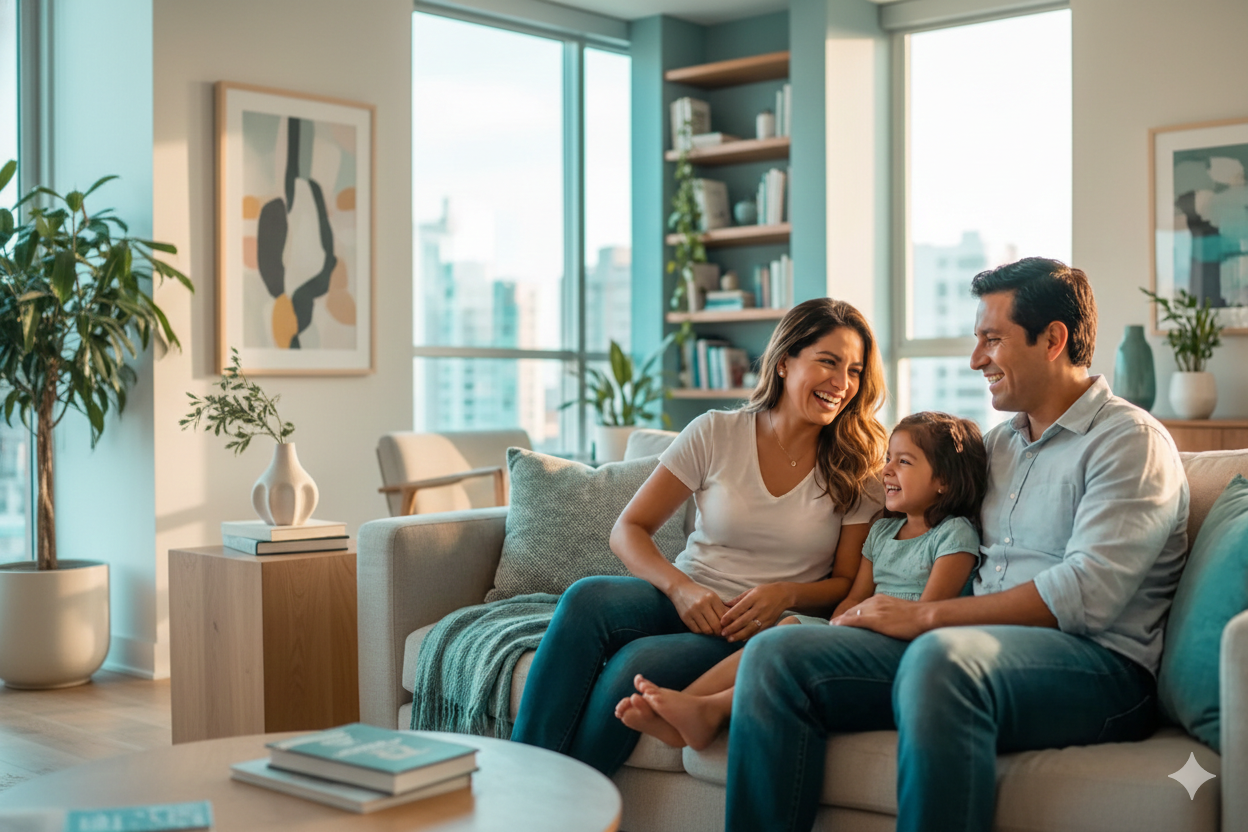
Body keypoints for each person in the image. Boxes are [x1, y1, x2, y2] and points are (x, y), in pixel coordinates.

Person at [722, 258, 1190, 832]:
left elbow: (1087, 594)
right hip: (967, 647)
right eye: (977, 341)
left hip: (1099, 669)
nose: (976, 360)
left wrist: (926, 616)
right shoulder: (999, 447)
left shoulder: (1129, 443)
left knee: (939, 658)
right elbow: (917, 497)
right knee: (777, 656)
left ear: (1053, 339)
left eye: (992, 340)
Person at [509, 298, 888, 775]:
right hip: (682, 596)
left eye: (854, 371)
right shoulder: (716, 432)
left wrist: (786, 594)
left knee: (634, 667)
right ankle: (519, 787)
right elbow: (629, 529)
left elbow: (848, 582)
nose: (842, 383)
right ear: (786, 360)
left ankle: (565, 812)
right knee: (586, 598)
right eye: (828, 362)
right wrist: (680, 587)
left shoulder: (858, 467)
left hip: (749, 627)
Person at [615, 410, 988, 752]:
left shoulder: (953, 534)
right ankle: (689, 707)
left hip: (904, 641)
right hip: (857, 629)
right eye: (888, 457)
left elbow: (931, 612)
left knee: (786, 642)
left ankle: (707, 710)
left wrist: (857, 623)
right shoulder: (881, 534)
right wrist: (837, 623)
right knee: (785, 629)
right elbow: (854, 595)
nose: (886, 470)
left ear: (943, 481)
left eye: (903, 462)